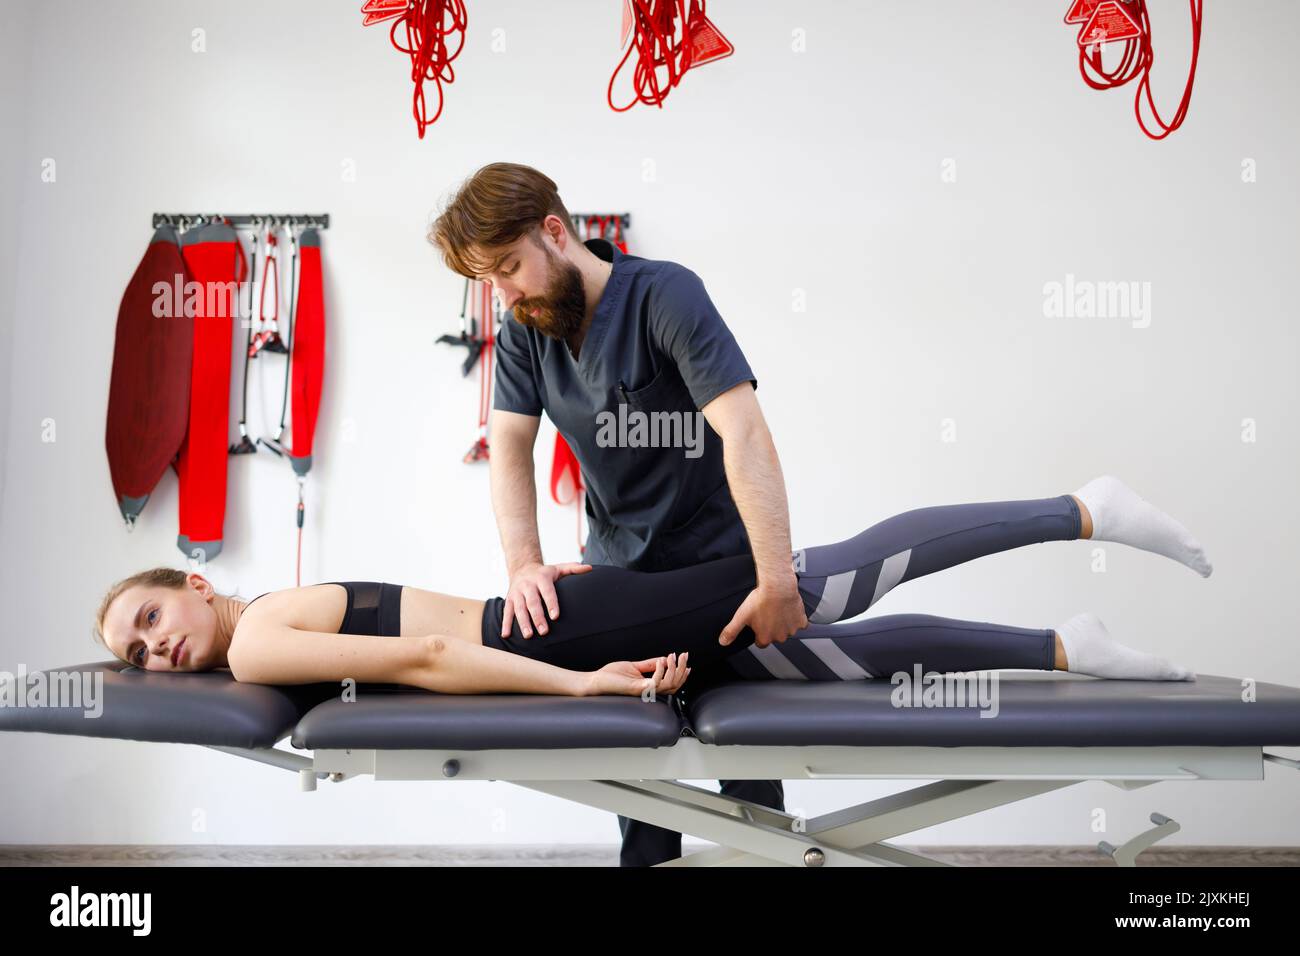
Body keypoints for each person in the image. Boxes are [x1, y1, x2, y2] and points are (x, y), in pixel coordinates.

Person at [428, 161, 807, 866]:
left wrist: (776, 576)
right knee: (642, 796)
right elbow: (509, 447)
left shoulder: (665, 294)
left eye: (510, 266)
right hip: (620, 582)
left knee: (753, 798)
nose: (505, 294)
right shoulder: (525, 334)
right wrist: (523, 567)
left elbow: (746, 430)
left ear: (554, 232)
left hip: (719, 579)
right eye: (489, 281)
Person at [95, 476, 1210, 706]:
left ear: (195, 585)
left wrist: (577, 687)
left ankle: (1084, 509)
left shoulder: (253, 645)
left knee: (821, 586)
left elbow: (429, 660)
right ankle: (1064, 645)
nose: (155, 650)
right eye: (136, 652)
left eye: (148, 619)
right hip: (560, 631)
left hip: (564, 636)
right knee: (814, 654)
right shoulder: (276, 615)